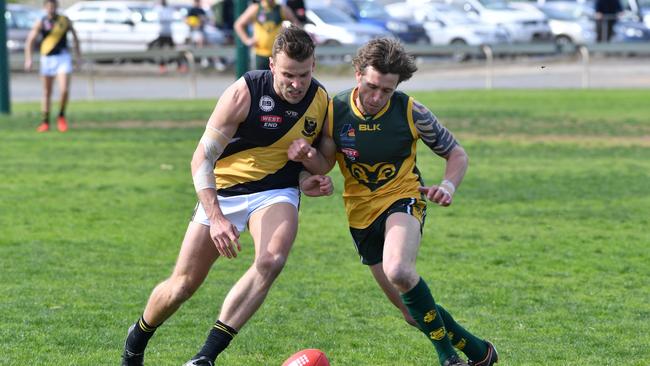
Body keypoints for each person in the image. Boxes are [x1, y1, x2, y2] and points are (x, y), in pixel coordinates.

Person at [121, 25, 332, 366]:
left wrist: (309, 168)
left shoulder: (320, 100)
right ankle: (137, 338)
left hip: (275, 191)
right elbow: (201, 158)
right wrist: (217, 217)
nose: (296, 84)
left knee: (271, 261)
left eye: (304, 75)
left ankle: (204, 357)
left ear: (314, 66)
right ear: (272, 65)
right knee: (182, 286)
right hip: (223, 192)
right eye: (288, 75)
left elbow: (323, 164)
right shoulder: (245, 92)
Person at [293, 38, 499, 366]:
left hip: (402, 199)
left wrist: (448, 185)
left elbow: (456, 153)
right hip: (360, 214)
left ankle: (448, 359)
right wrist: (309, 164)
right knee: (411, 313)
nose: (377, 97)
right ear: (358, 74)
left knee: (399, 269)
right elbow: (324, 164)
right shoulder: (334, 111)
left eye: (386, 90)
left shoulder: (410, 110)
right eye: (372, 86)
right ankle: (480, 352)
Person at [24, 0, 81, 133]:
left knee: (64, 90)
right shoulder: (41, 21)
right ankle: (45, 121)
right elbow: (30, 40)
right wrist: (29, 59)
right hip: (47, 59)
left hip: (63, 57)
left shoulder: (64, 20)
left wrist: (78, 57)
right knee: (46, 92)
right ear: (45, 8)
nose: (51, 8)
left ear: (57, 7)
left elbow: (76, 37)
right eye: (48, 6)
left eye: (53, 6)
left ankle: (61, 116)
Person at [234, 0, 301, 70]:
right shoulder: (256, 8)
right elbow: (238, 24)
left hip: (277, 53)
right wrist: (247, 40)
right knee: (260, 78)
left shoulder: (282, 9)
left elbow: (296, 24)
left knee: (277, 78)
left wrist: (288, 35)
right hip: (260, 53)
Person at [151, 0, 184, 74]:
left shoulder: (169, 9)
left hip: (168, 33)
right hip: (162, 33)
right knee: (162, 51)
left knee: (173, 50)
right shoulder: (160, 9)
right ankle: (162, 67)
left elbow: (172, 16)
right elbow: (162, 19)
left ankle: (179, 66)